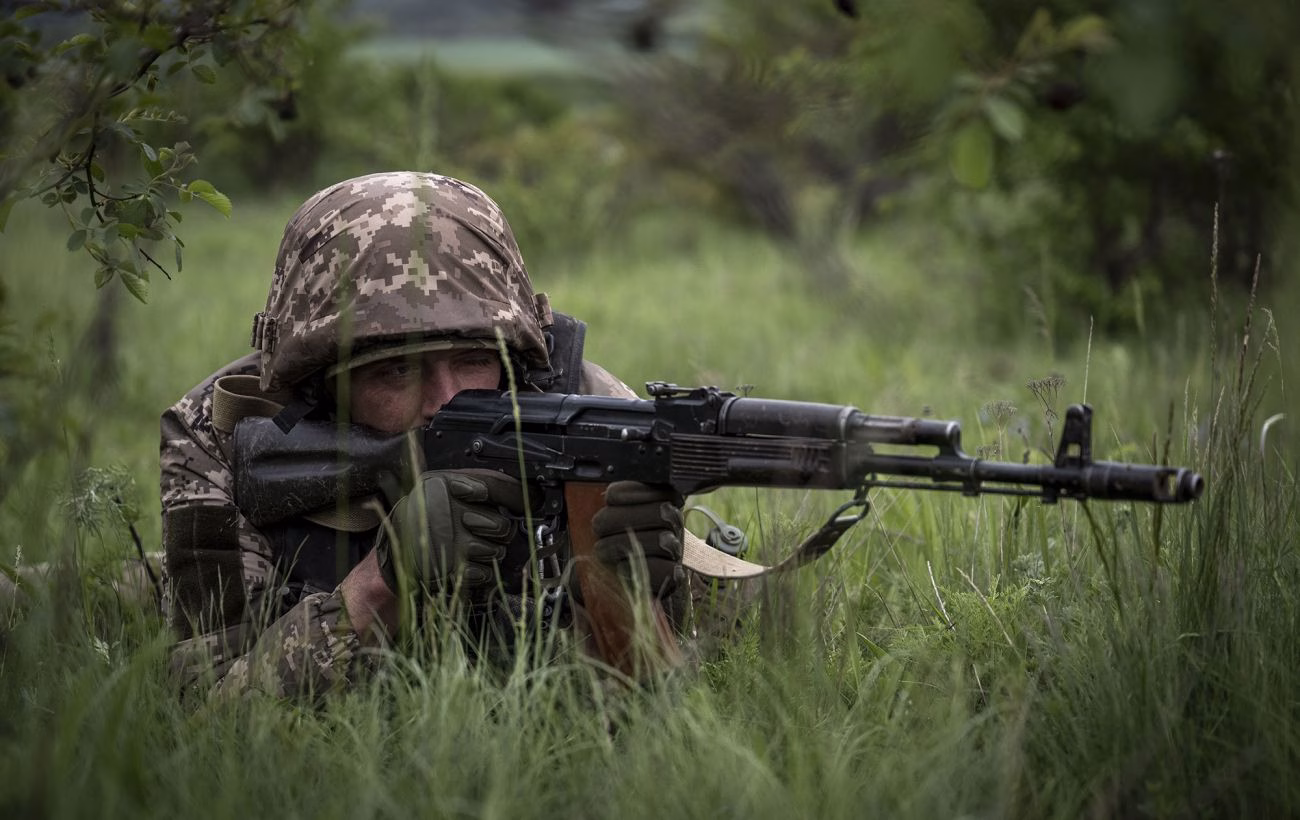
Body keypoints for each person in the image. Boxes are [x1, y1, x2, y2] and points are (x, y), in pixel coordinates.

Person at [160, 172, 689, 698]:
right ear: (321, 383)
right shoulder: (225, 431)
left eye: (475, 359)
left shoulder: (593, 416)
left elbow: (669, 706)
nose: (446, 401)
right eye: (396, 372)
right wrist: (381, 583)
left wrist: (628, 588)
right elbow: (207, 716)